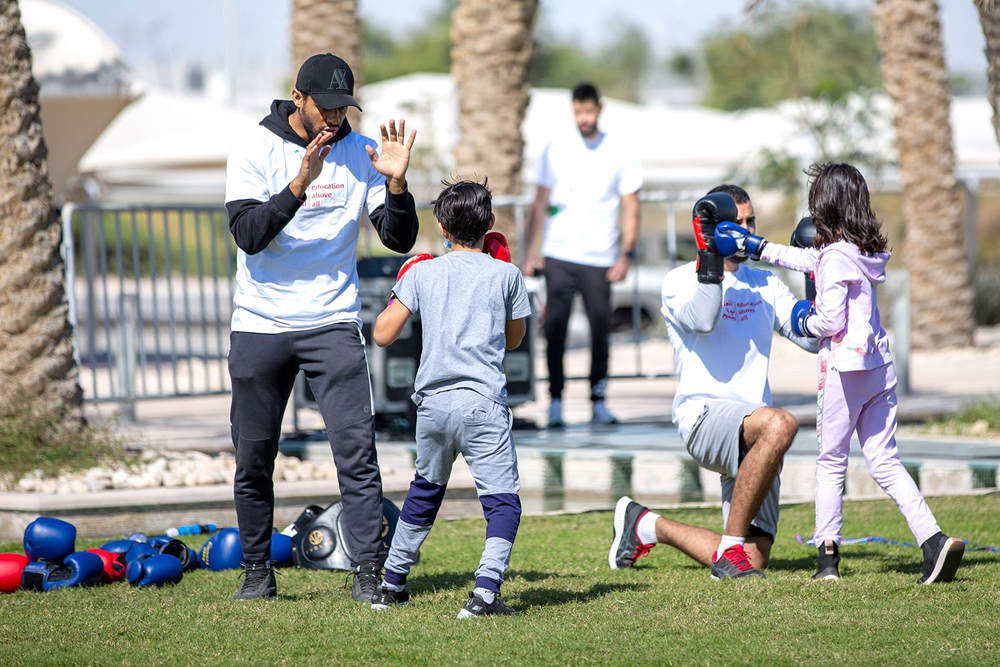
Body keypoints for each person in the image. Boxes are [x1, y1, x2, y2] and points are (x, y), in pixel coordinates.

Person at [224, 53, 419, 601]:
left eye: (344, 107)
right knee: (253, 458)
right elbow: (247, 234)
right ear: (299, 98)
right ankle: (258, 571)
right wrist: (297, 186)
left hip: (332, 322)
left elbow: (398, 239)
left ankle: (367, 573)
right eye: (326, 107)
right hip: (260, 324)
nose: (335, 117)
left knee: (357, 454)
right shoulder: (254, 148)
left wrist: (399, 188)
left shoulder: (362, 153)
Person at [716, 163, 965, 583]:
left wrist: (804, 323)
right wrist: (756, 246)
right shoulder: (863, 251)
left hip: (844, 372)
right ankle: (934, 541)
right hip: (878, 369)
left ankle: (827, 560)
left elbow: (829, 321)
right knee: (885, 460)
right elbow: (806, 259)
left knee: (830, 462)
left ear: (825, 205)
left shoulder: (834, 258)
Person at [608, 185, 815, 579]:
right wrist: (710, 257)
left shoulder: (765, 283)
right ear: (709, 228)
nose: (745, 229)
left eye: (750, 221)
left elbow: (812, 339)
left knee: (757, 559)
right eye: (735, 223)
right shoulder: (679, 281)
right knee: (781, 423)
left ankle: (645, 525)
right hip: (704, 415)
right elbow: (702, 320)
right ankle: (729, 552)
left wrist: (815, 273)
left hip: (755, 430)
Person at [370, 179, 531, 618]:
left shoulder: (423, 271)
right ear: (491, 223)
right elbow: (514, 340)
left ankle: (390, 585)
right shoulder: (507, 274)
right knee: (502, 501)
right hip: (483, 404)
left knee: (424, 491)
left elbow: (382, 335)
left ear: (441, 225)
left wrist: (404, 283)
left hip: (433, 406)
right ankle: (483, 594)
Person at [522, 83, 642, 428]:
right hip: (559, 253)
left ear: (599, 109)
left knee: (600, 330)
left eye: (588, 111)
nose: (583, 118)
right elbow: (540, 202)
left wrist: (627, 254)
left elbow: (631, 206)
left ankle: (599, 401)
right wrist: (531, 251)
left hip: (600, 256)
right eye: (578, 112)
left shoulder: (619, 151)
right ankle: (556, 402)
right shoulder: (555, 148)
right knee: (555, 329)